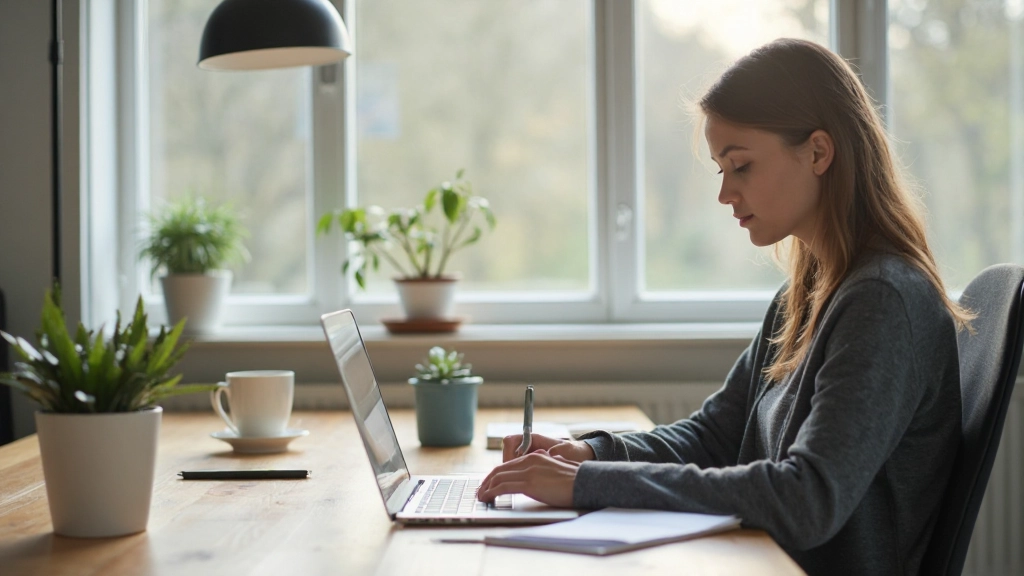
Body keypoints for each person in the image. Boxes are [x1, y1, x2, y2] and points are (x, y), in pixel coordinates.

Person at [476, 38, 973, 576]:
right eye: (721, 170)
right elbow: (715, 435)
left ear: (819, 152)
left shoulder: (883, 302)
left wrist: (584, 485)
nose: (725, 194)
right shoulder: (802, 295)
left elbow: (807, 500)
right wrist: (592, 455)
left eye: (741, 167)